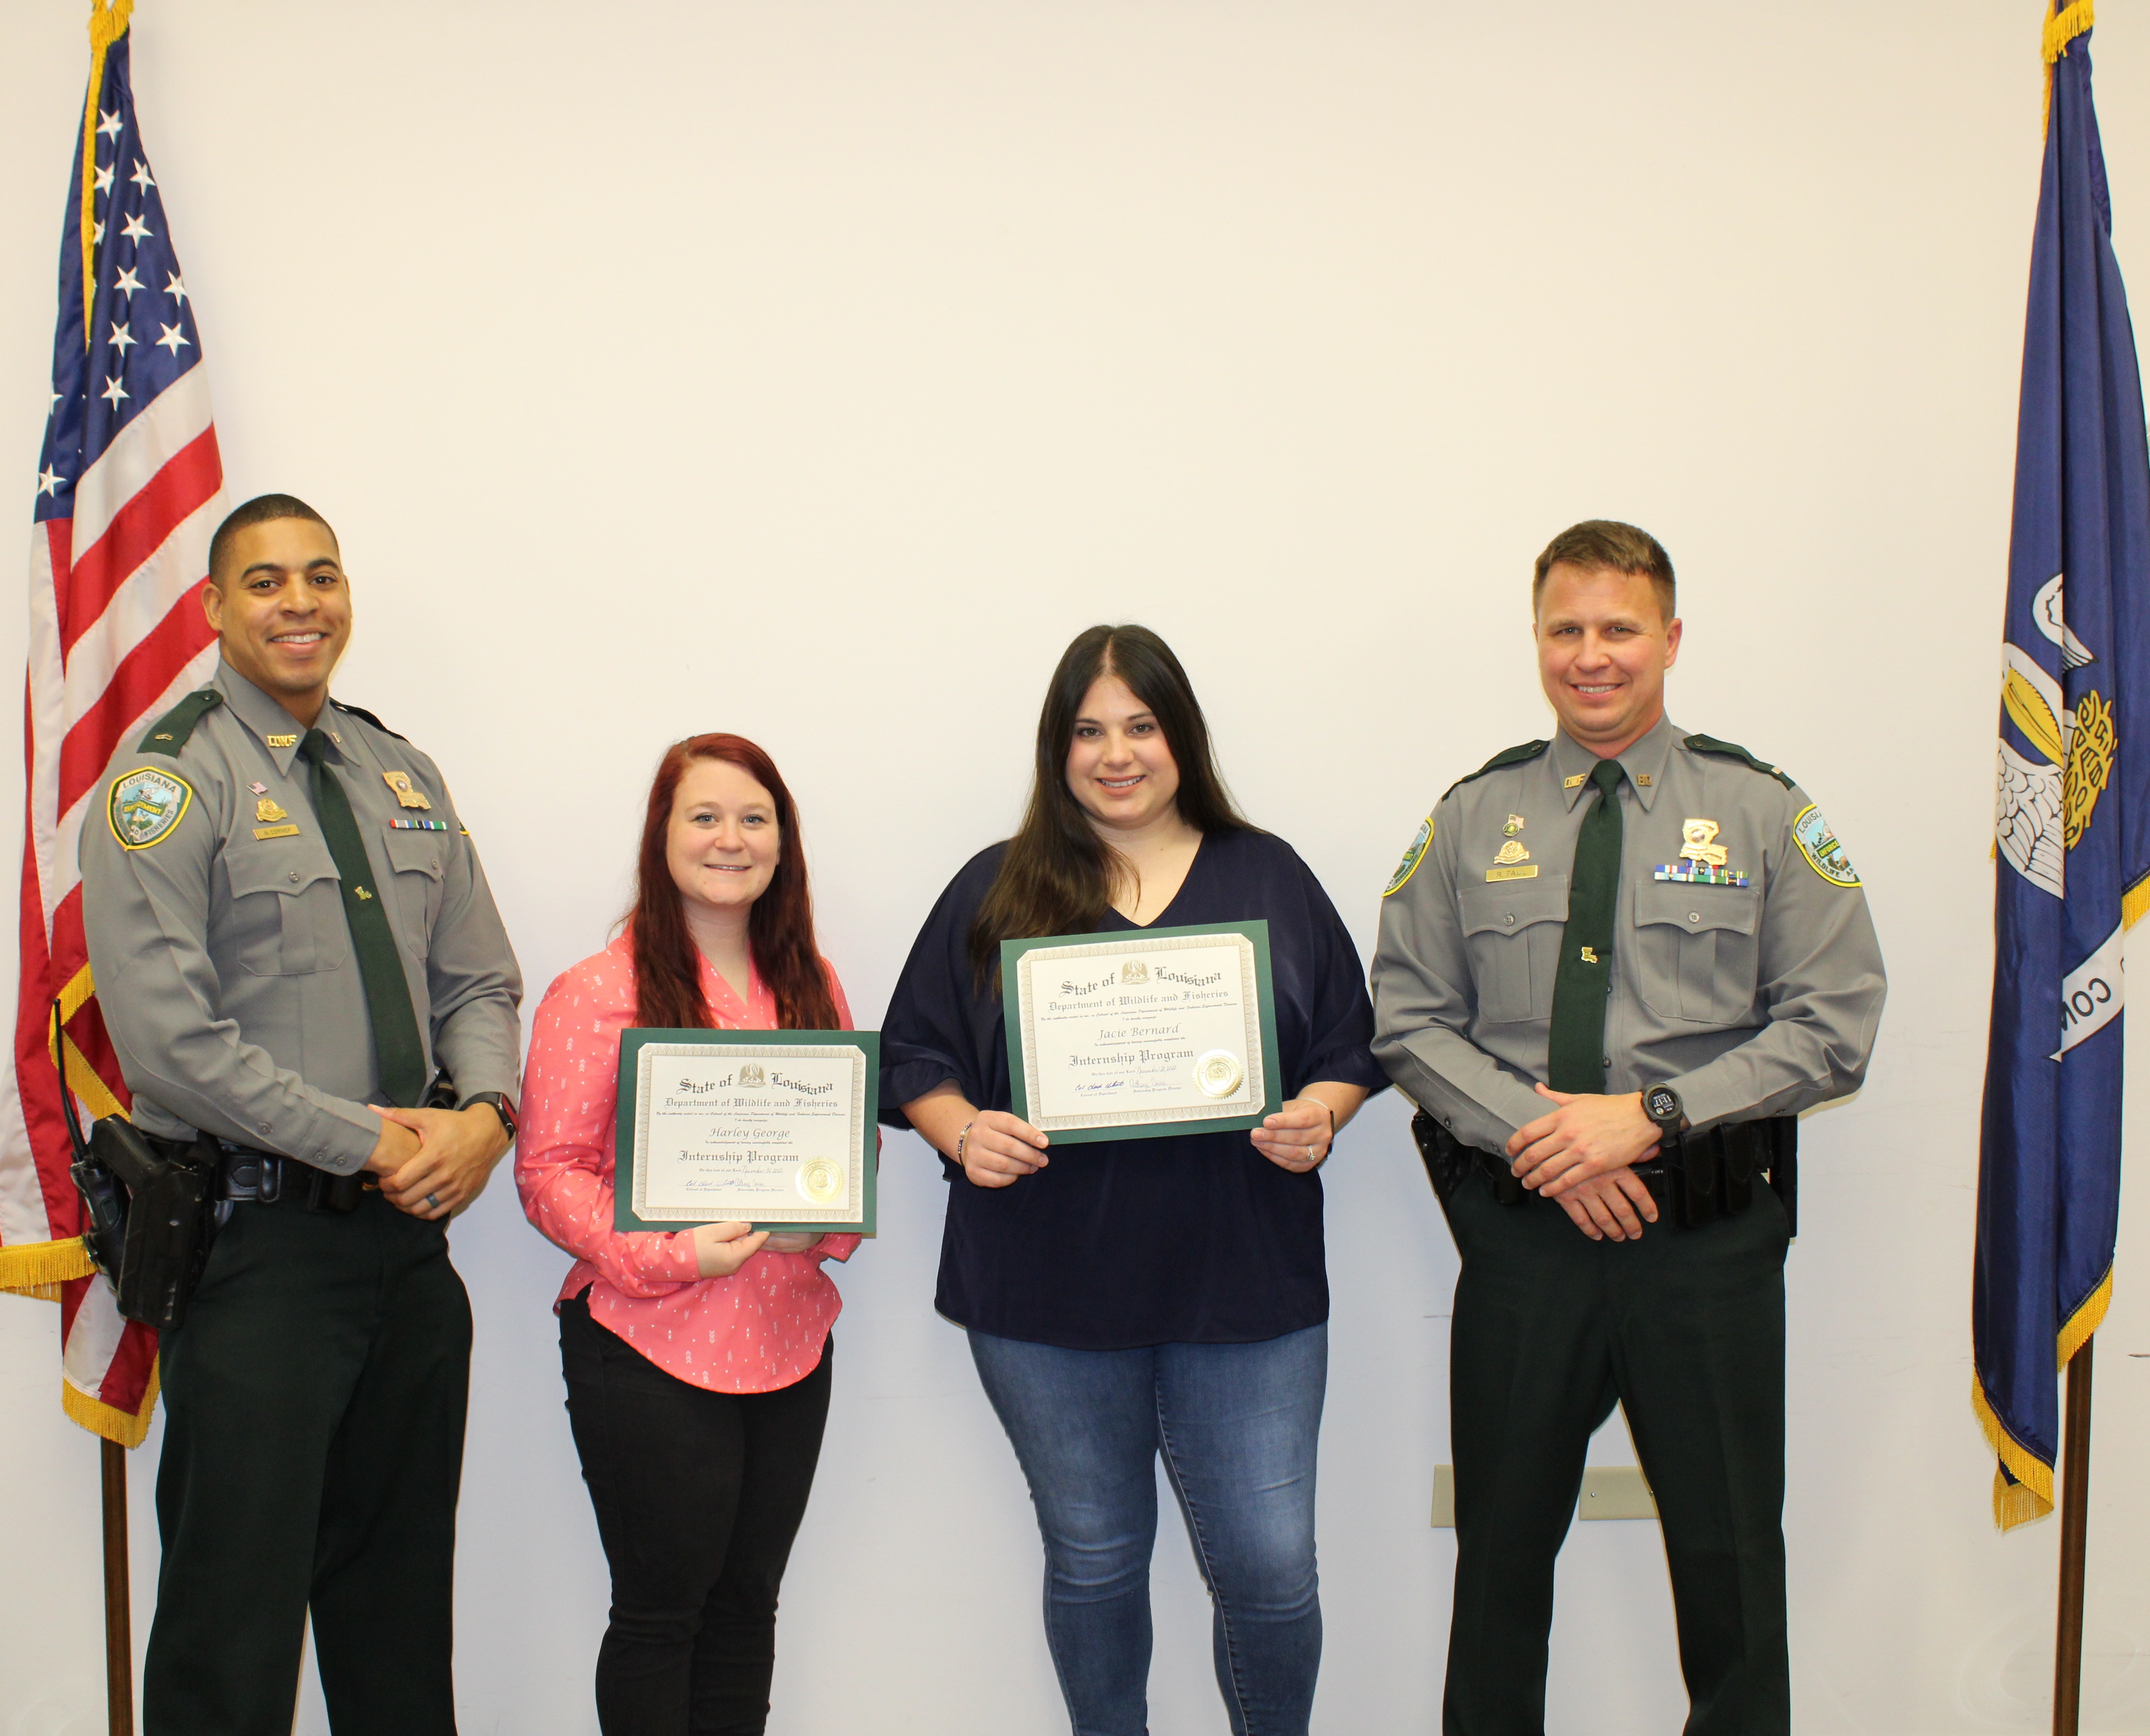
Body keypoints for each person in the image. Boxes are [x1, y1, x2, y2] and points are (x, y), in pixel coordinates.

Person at [1371, 520, 1887, 1736]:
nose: (1591, 655)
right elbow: (1406, 1018)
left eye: (1619, 628)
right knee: (1499, 1558)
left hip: (1704, 1243)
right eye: (1567, 628)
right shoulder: (1471, 816)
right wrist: (1550, 1143)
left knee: (1729, 1562)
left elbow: (1835, 1022)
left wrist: (1649, 1119)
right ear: (1536, 638)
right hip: (1525, 1240)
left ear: (1669, 637)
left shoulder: (1760, 811)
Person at [881, 624, 1386, 1736]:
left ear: (1181, 736)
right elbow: (911, 1053)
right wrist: (962, 1134)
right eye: (1089, 731)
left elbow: (1350, 1042)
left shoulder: (1269, 873)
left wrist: (1321, 1114)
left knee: (1271, 1567)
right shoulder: (996, 885)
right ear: (1057, 749)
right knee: (1096, 1557)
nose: (1116, 754)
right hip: (1046, 1294)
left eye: (1141, 726)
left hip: (1245, 1286)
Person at [79, 494, 524, 1735]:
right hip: (256, 1264)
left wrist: (485, 1116)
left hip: (408, 1259)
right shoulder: (168, 780)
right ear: (214, 608)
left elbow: (480, 982)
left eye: (321, 576)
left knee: (398, 1629)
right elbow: (173, 1050)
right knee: (232, 1635)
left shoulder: (400, 772)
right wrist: (379, 1138)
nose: (300, 602)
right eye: (266, 581)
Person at [516, 732, 860, 1736]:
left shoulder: (811, 982)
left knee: (749, 1608)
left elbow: (845, 1150)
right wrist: (671, 1254)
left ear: (783, 842)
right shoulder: (597, 991)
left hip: (789, 1342)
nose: (730, 839)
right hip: (645, 1342)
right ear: (661, 837)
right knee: (661, 1615)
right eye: (704, 817)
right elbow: (548, 1173)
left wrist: (818, 1229)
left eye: (754, 818)